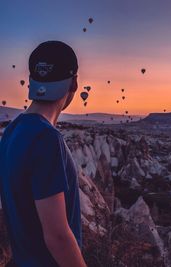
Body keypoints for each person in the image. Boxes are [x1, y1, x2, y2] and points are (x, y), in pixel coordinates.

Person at [0, 41, 87, 267]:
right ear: (75, 83)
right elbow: (57, 236)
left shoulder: (12, 130)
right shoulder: (47, 139)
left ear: (31, 81)